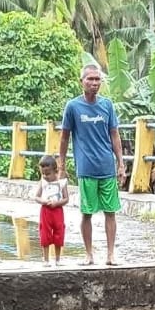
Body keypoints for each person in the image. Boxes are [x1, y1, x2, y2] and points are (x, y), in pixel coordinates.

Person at [58, 64, 126, 266]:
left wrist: (121, 163)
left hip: (106, 167)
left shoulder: (107, 105)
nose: (94, 83)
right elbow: (64, 138)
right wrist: (61, 166)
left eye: (97, 79)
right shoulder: (73, 107)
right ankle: (88, 254)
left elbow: (114, 135)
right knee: (86, 213)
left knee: (110, 212)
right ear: (82, 82)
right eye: (90, 79)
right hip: (86, 168)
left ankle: (111, 254)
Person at [33, 154, 69, 265]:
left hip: (57, 211)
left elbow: (66, 199)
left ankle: (58, 259)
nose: (45, 176)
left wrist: (57, 203)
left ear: (55, 170)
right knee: (45, 233)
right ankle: (46, 259)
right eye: (43, 173)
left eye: (48, 173)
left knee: (59, 233)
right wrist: (44, 201)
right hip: (45, 211)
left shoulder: (62, 182)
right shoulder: (42, 182)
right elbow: (36, 197)